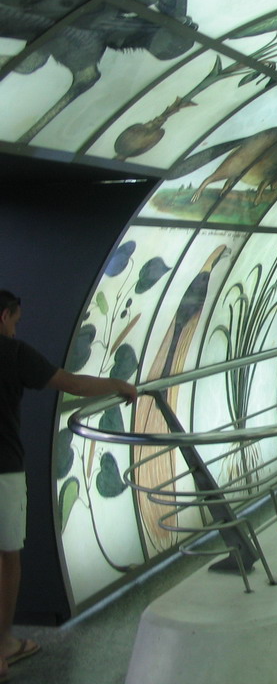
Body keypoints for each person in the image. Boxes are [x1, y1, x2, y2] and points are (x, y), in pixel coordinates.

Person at [0, 291, 137, 680]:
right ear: (3, 316)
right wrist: (117, 384)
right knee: (7, 556)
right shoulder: (12, 353)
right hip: (2, 470)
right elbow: (71, 383)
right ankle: (3, 644)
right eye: (15, 320)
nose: (15, 328)